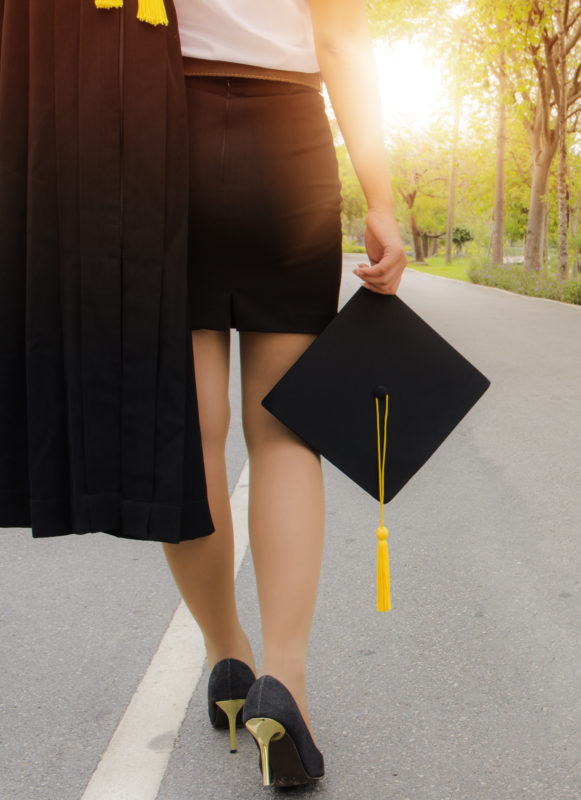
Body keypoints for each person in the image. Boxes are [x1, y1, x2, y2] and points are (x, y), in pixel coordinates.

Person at [164, 0, 407, 786]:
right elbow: (338, 38)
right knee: (284, 430)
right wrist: (381, 199)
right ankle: (285, 681)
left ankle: (225, 656)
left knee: (193, 429)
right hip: (288, 146)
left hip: (167, 137)